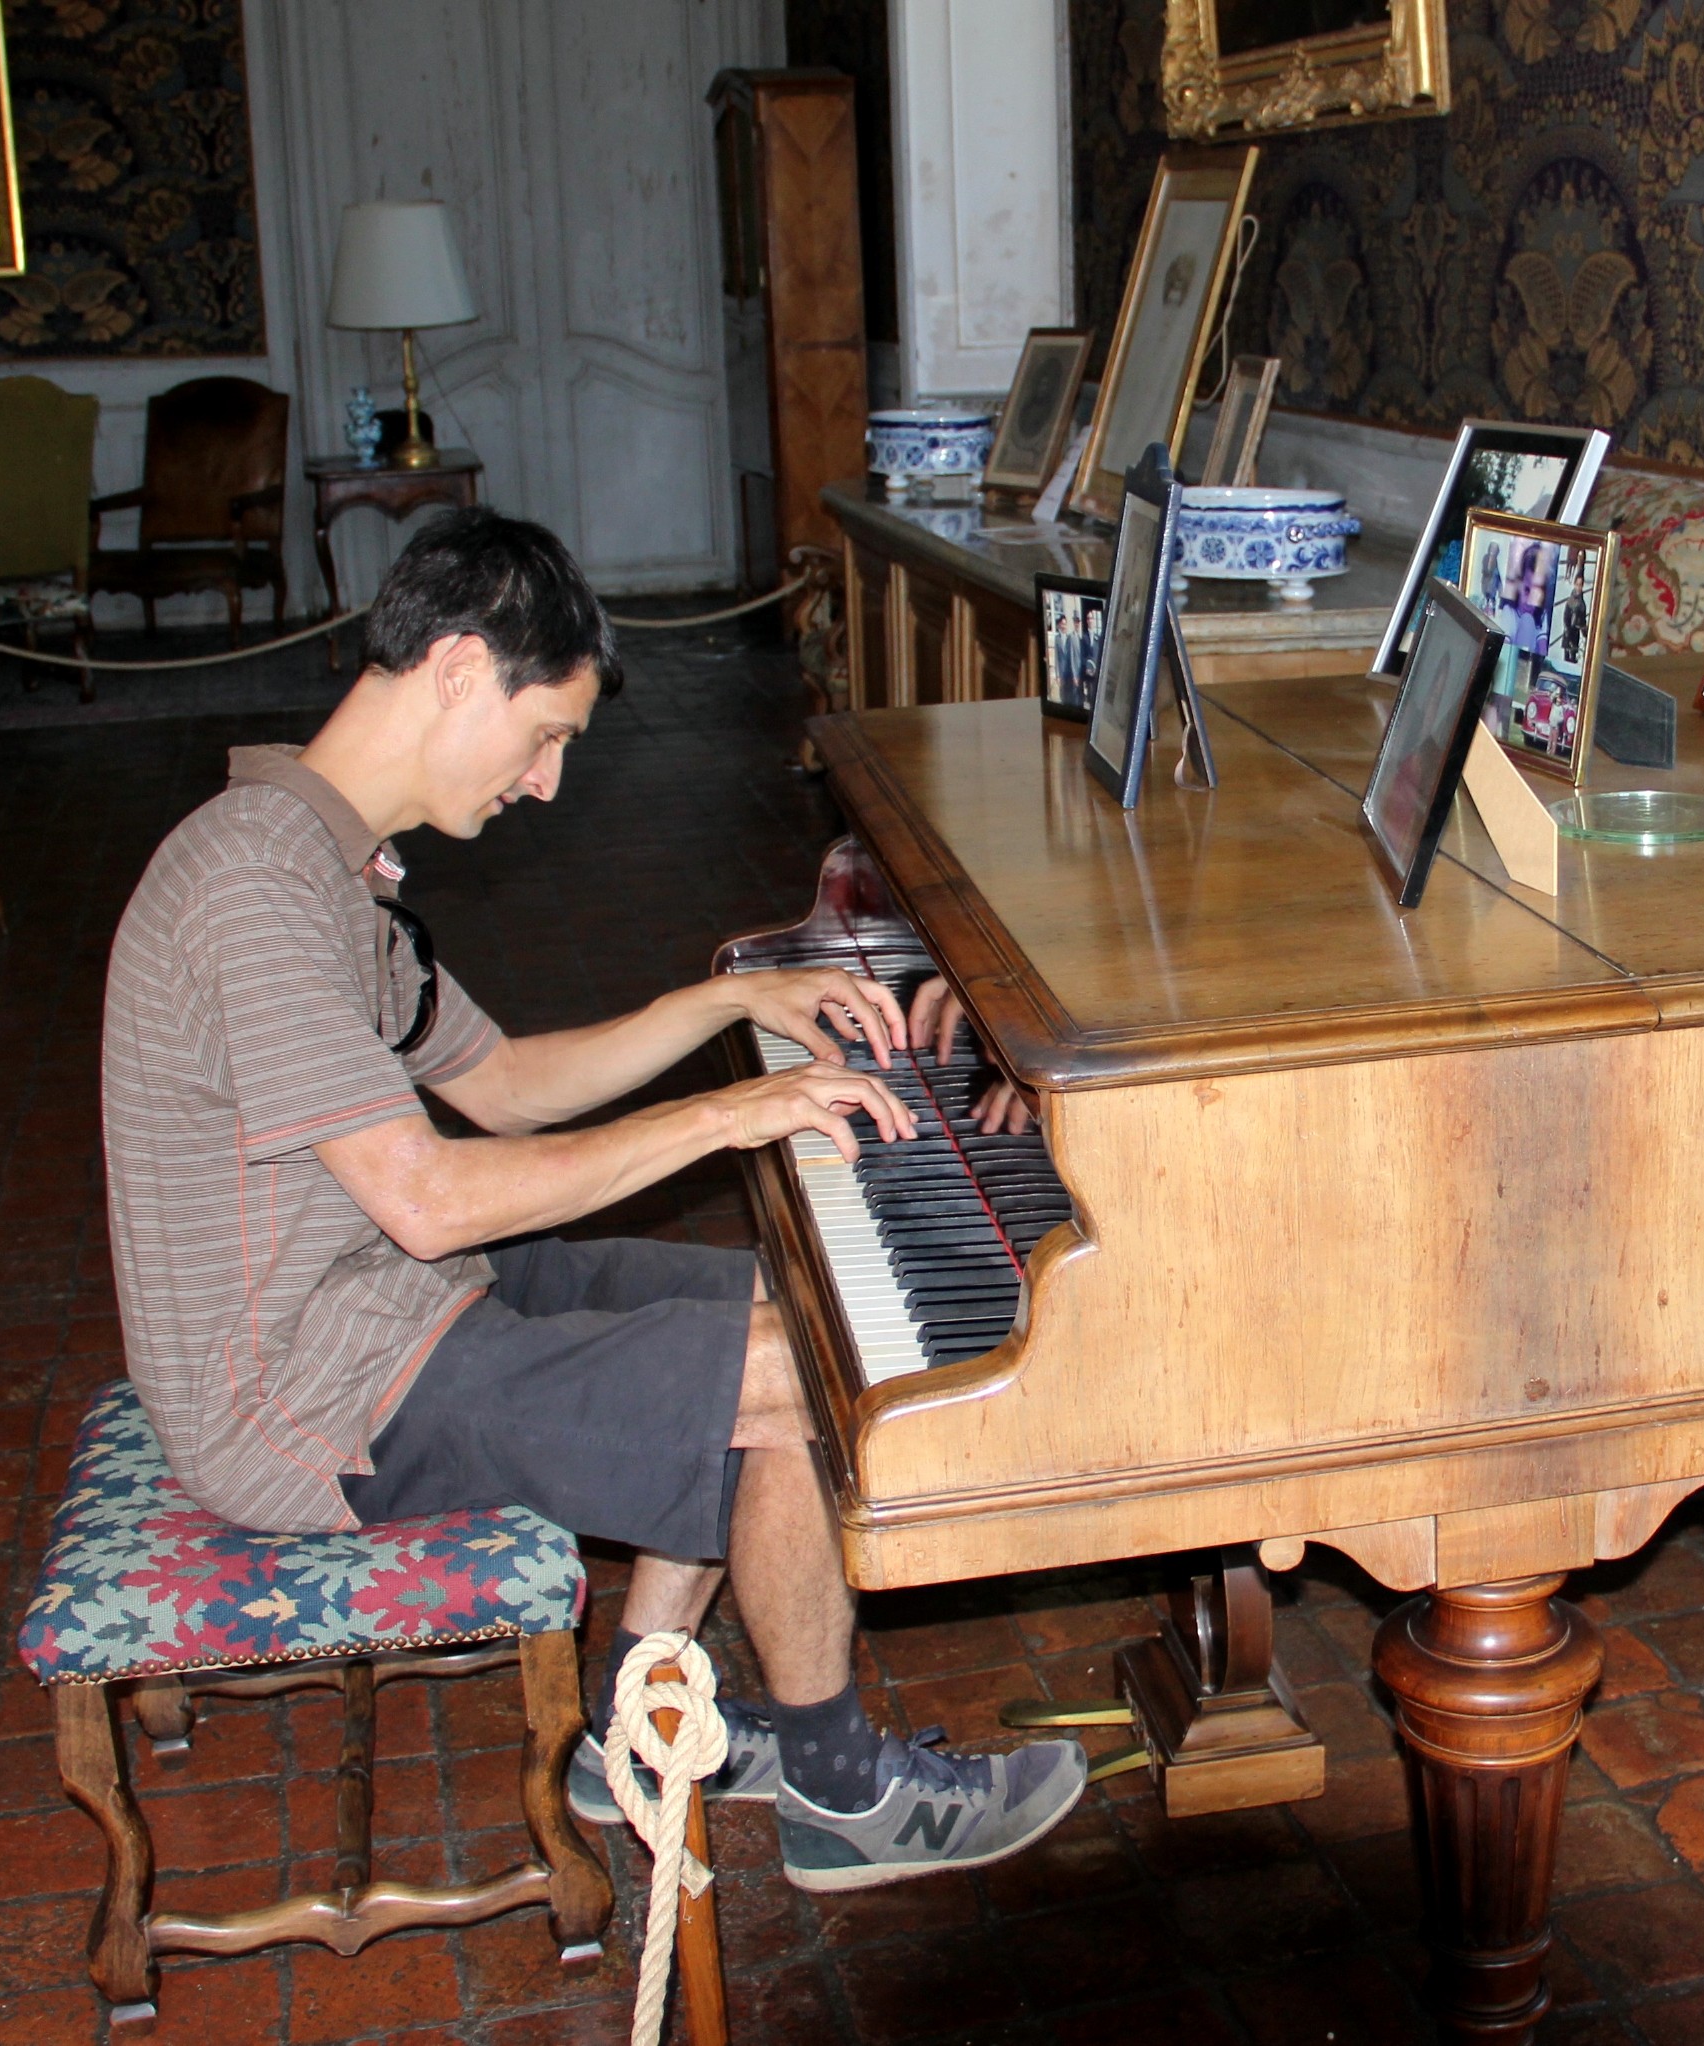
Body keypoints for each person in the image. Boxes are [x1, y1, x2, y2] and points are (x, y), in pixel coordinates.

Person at [99, 508, 1083, 1898]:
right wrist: (729, 1110)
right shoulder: (256, 888)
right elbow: (433, 1196)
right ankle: (839, 1786)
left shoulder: (328, 868)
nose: (548, 783)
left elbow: (500, 1084)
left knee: (783, 1298)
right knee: (802, 1368)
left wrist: (726, 1001)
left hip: (384, 1311)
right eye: (544, 732)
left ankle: (625, 1718)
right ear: (455, 668)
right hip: (309, 1396)